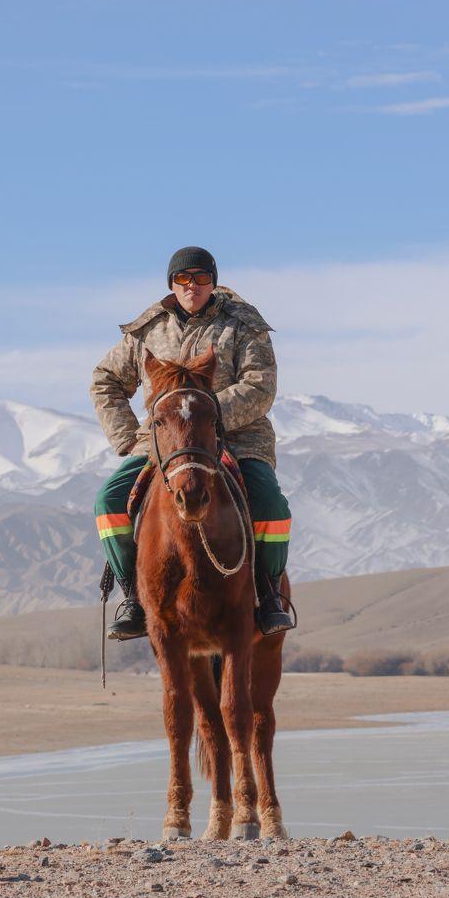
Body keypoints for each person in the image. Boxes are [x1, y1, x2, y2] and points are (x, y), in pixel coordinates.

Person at [90, 246, 294, 640]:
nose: (192, 286)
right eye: (183, 279)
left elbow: (261, 385)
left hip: (238, 438)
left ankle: (268, 595)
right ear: (171, 283)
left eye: (201, 278)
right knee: (107, 502)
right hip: (167, 447)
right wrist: (128, 437)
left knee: (271, 504)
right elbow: (105, 380)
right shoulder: (147, 332)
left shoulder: (243, 326)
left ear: (213, 282)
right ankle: (133, 596)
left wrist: (208, 413)